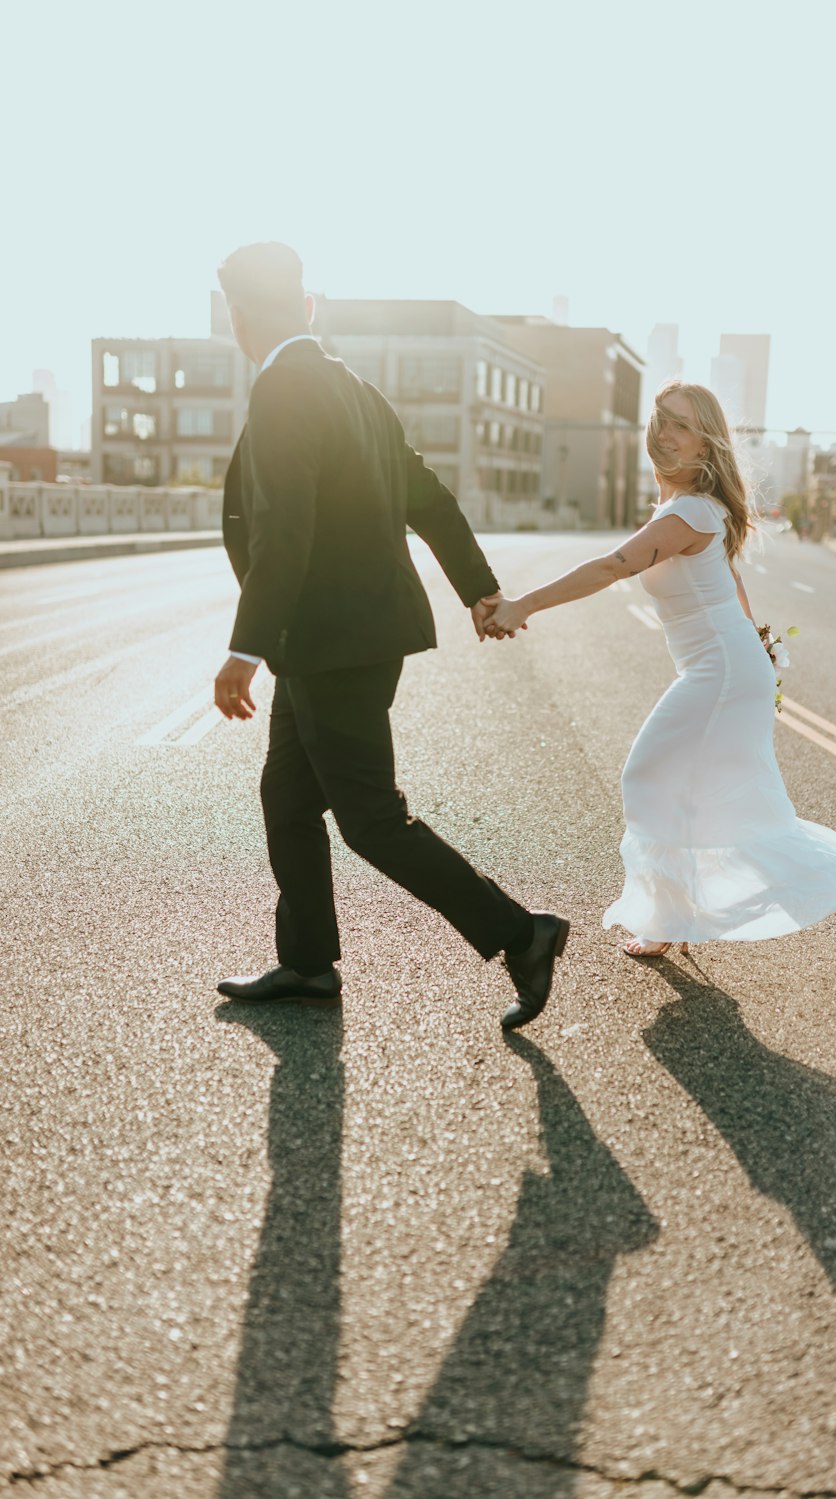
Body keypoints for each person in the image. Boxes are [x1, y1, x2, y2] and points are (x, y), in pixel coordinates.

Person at [212, 241, 567, 1031]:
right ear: (307, 308)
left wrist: (243, 649)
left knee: (371, 819)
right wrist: (479, 589)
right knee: (287, 796)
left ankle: (521, 934)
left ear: (238, 319)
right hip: (342, 642)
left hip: (330, 643)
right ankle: (307, 962)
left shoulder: (283, 393)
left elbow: (285, 530)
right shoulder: (354, 389)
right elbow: (430, 498)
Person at [486, 381, 836, 956]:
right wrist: (764, 652)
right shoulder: (687, 511)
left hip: (721, 674)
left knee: (652, 777)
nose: (664, 430)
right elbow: (733, 588)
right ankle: (831, 904)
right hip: (726, 669)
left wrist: (522, 604)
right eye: (660, 418)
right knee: (723, 798)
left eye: (680, 423)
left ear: (705, 446)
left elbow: (612, 566)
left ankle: (670, 920)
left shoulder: (691, 513)